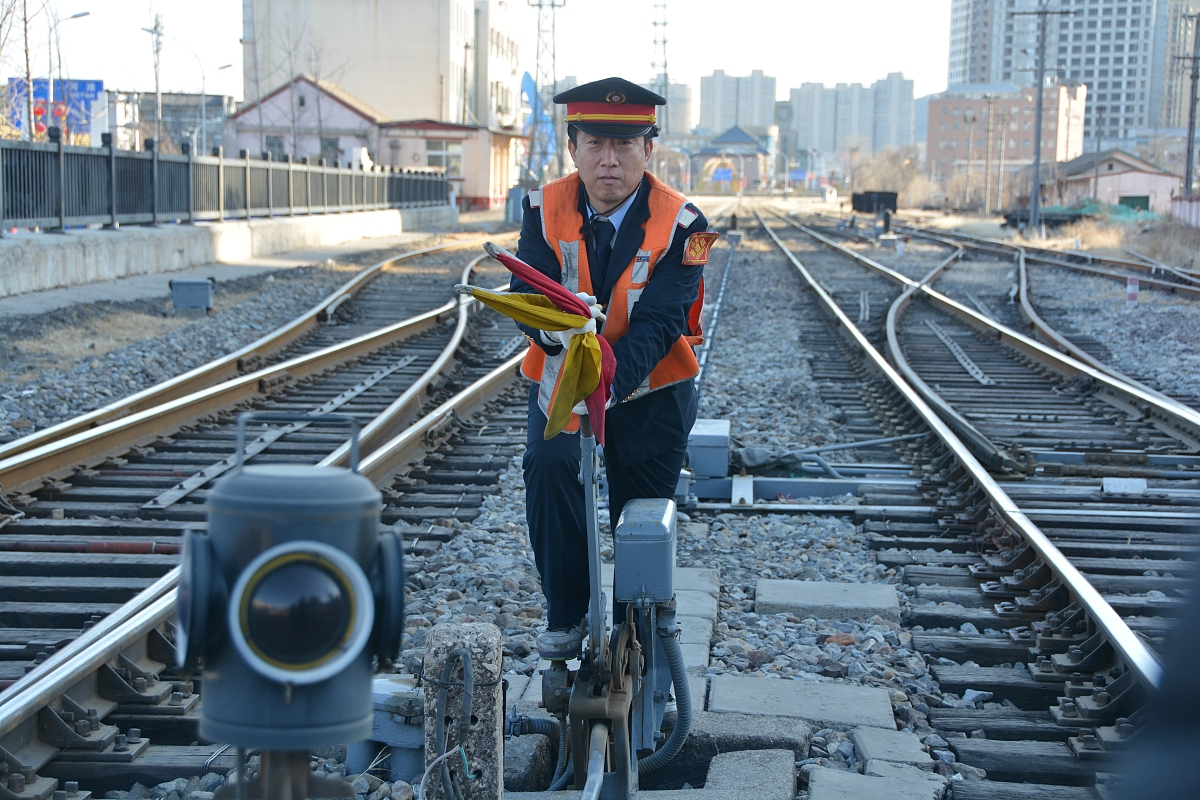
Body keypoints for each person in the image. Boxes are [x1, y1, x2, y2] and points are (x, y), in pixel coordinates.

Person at [509, 77, 716, 660]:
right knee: (548, 467)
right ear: (572, 147)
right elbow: (527, 292)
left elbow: (661, 320)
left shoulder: (689, 226)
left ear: (648, 149)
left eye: (624, 144)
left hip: (650, 389)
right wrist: (550, 336)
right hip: (563, 382)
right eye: (595, 143)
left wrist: (607, 385)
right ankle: (566, 614)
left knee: (641, 519)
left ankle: (638, 632)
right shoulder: (539, 208)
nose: (609, 160)